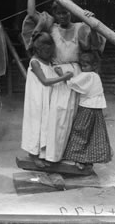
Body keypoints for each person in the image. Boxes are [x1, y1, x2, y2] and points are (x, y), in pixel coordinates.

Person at [23, 0, 106, 163]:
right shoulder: (51, 27)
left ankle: (72, 155)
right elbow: (31, 13)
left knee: (74, 116)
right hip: (58, 73)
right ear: (55, 14)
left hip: (76, 74)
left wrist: (92, 24)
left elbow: (93, 45)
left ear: (71, 12)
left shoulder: (80, 27)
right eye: (59, 13)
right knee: (55, 115)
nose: (62, 16)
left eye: (66, 12)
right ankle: (50, 154)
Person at [21, 32, 74, 168]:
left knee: (45, 124)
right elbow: (44, 81)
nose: (49, 53)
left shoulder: (49, 61)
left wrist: (58, 72)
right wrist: (63, 78)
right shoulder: (35, 62)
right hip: (37, 99)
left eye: (50, 51)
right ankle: (33, 155)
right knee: (36, 125)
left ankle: (41, 154)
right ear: (38, 50)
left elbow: (51, 74)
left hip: (46, 97)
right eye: (45, 51)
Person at [56, 51, 112, 171]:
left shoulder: (88, 75)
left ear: (93, 66)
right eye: (82, 65)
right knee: (93, 134)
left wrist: (62, 74)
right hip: (97, 110)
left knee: (79, 132)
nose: (82, 68)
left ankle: (78, 158)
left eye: (85, 65)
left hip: (87, 108)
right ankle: (88, 160)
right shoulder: (96, 76)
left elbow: (73, 83)